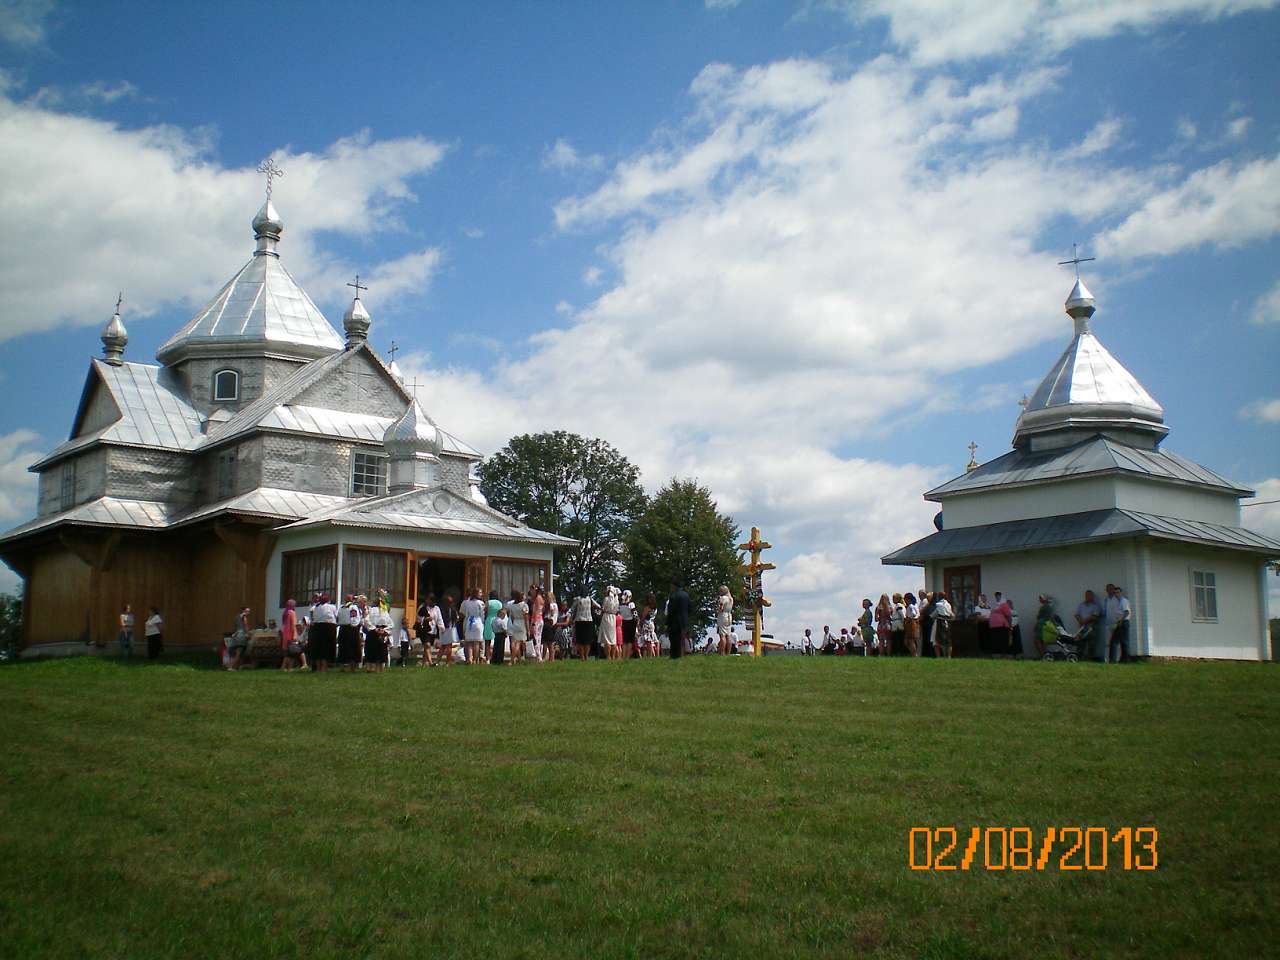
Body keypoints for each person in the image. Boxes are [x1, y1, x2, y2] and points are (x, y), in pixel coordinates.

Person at [1104, 583, 1131, 663]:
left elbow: (1126, 612)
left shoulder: (1124, 601)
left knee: (1114, 641)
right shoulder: (1117, 601)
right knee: (1123, 642)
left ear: (1121, 593)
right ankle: (1124, 660)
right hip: (1119, 622)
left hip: (1123, 622)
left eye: (1118, 592)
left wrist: (1120, 621)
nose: (1116, 594)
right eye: (1115, 593)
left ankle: (1113, 660)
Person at [310, 594, 337, 672]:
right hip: (329, 627)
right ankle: (324, 667)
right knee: (326, 648)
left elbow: (313, 618)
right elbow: (335, 616)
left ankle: (318, 668)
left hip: (317, 627)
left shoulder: (315, 607)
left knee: (318, 648)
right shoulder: (332, 607)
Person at [1074, 590, 1104, 660]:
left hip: (1091, 628)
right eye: (1086, 596)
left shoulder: (1096, 606)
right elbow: (1076, 614)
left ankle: (1089, 659)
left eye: (1089, 595)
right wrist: (1080, 621)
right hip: (1082, 628)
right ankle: (1079, 658)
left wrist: (1084, 621)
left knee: (1091, 645)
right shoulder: (1081, 605)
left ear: (1092, 596)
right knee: (1080, 643)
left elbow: (1094, 616)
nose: (1087, 597)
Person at [461, 587, 486, 666]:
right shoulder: (480, 603)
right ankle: (475, 659)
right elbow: (482, 614)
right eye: (480, 593)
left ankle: (469, 659)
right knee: (476, 642)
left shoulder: (467, 602)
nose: (481, 594)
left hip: (469, 621)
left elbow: (466, 613)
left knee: (469, 642)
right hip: (477, 621)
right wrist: (482, 622)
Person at [666, 581, 690, 659]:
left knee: (674, 639)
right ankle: (682, 654)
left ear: (674, 586)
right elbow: (690, 608)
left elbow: (671, 610)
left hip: (675, 620)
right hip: (684, 620)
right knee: (682, 638)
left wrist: (667, 621)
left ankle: (674, 655)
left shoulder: (673, 596)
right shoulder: (686, 595)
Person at [571, 591, 598, 661]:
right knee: (587, 640)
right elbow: (598, 606)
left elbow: (573, 609)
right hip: (588, 620)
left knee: (580, 640)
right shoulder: (590, 599)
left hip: (579, 620)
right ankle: (586, 656)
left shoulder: (577, 599)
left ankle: (582, 656)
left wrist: (571, 618)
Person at [507, 589, 530, 662]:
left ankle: (519, 659)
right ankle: (512, 660)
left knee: (514, 641)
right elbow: (526, 618)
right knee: (518, 643)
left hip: (515, 623)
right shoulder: (524, 605)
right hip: (522, 623)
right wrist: (528, 629)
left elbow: (512, 616)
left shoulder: (512, 606)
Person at [930, 592, 955, 658]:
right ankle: (949, 656)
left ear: (939, 597)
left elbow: (933, 615)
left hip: (938, 623)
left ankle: (938, 656)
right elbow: (952, 615)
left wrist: (931, 616)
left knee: (935, 640)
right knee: (948, 640)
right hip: (947, 623)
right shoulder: (948, 605)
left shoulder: (938, 604)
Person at [599, 586, 620, 660]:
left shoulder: (606, 599)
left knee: (607, 639)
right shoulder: (616, 600)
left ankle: (608, 656)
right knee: (613, 639)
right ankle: (613, 656)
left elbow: (603, 608)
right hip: (613, 618)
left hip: (607, 617)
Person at [988, 594, 1013, 658]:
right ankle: (996, 654)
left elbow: (1009, 615)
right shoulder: (994, 605)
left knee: (1003, 640)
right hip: (993, 626)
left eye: (999, 596)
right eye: (996, 596)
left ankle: (1004, 655)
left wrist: (1010, 625)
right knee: (995, 640)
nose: (997, 597)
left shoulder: (1004, 604)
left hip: (1002, 625)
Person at [438, 594, 458, 665]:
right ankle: (448, 661)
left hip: (443, 628)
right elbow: (456, 619)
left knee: (443, 646)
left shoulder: (441, 609)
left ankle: (438, 661)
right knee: (449, 646)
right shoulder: (452, 609)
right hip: (450, 628)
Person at [280, 599, 299, 670]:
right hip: (291, 633)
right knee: (292, 652)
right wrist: (294, 634)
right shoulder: (292, 613)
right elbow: (293, 624)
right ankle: (290, 667)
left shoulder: (285, 612)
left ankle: (283, 666)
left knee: (287, 652)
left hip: (285, 634)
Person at [483, 590, 502, 662]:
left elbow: (485, 611)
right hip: (497, 620)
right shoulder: (500, 603)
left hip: (489, 620)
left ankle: (488, 657)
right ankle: (495, 656)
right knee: (496, 640)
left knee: (487, 641)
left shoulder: (488, 602)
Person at [638, 592, 659, 657]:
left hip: (647, 624)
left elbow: (643, 617)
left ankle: (650, 655)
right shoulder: (655, 608)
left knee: (648, 641)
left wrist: (640, 624)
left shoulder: (647, 608)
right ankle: (656, 655)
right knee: (654, 640)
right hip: (652, 623)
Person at [714, 585, 734, 655]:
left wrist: (716, 610)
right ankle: (728, 653)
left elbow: (721, 608)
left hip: (723, 616)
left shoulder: (723, 598)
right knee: (728, 635)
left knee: (722, 635)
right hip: (729, 615)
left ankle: (721, 653)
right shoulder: (731, 599)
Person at [619, 589, 638, 659]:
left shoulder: (620, 605)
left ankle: (623, 656)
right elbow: (635, 614)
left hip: (623, 623)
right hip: (631, 623)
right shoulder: (631, 604)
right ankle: (627, 657)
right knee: (629, 641)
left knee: (624, 641)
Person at [528, 584, 545, 661]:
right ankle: (539, 655)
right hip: (540, 619)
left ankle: (539, 656)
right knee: (539, 637)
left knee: (535, 637)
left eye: (532, 590)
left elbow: (536, 611)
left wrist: (533, 622)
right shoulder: (541, 598)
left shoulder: (537, 599)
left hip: (536, 620)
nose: (531, 592)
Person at [544, 591, 560, 662]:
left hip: (551, 623)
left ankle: (552, 658)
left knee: (550, 642)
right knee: (546, 642)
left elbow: (552, 612)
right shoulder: (548, 605)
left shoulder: (553, 605)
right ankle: (547, 658)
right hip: (546, 622)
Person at [903, 592, 921, 657]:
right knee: (910, 640)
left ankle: (914, 654)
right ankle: (914, 654)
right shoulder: (915, 605)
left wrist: (908, 618)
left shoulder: (910, 606)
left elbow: (913, 614)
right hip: (915, 623)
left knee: (911, 640)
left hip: (911, 623)